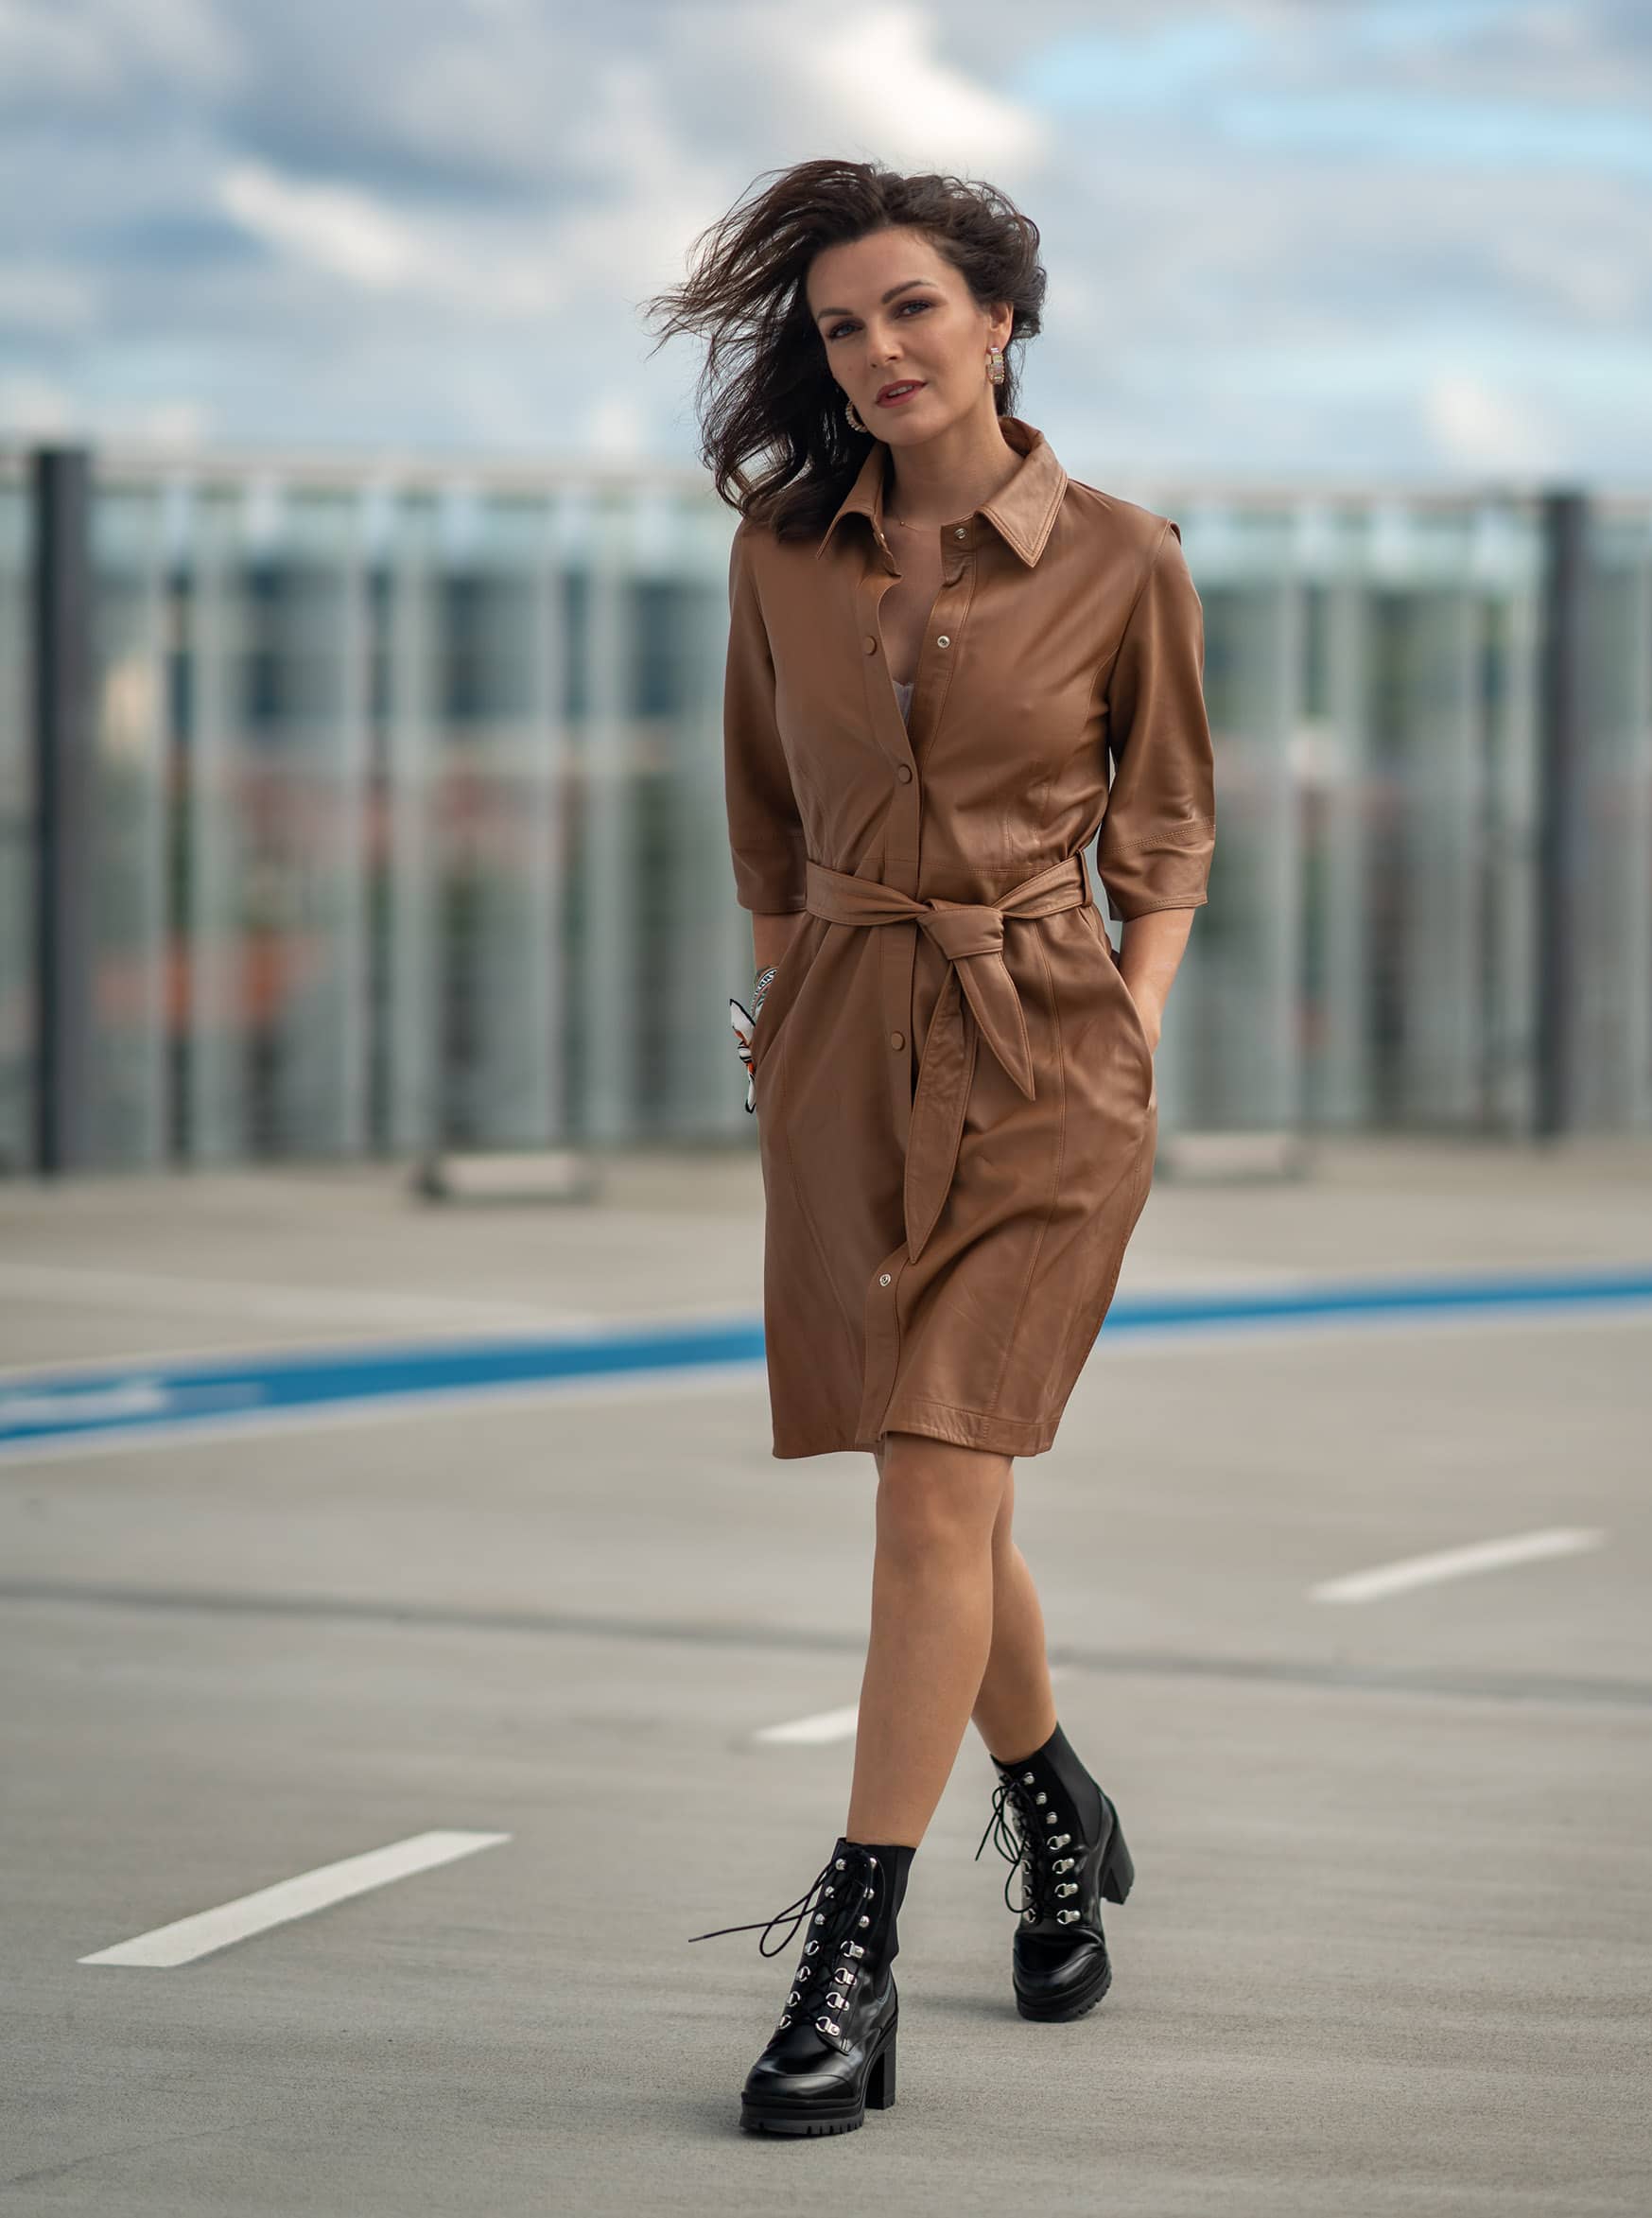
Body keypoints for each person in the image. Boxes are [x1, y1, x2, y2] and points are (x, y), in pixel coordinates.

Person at [644, 157, 1215, 2138]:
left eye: (907, 309)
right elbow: (767, 831)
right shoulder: (778, 556)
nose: (874, 351)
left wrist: (1123, 1047)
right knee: (935, 1491)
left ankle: (848, 1959)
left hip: (1048, 1057)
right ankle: (1050, 1797)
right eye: (836, 328)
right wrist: (782, 1022)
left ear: (995, 320)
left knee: (928, 1494)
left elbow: (1164, 845)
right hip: (838, 1059)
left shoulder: (1127, 555)